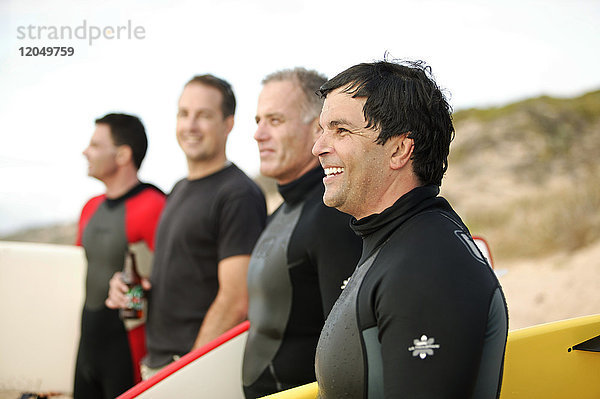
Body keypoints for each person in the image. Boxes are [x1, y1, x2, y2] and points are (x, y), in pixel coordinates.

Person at [312, 60, 509, 398]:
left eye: (340, 130)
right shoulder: (396, 244)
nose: (318, 147)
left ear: (399, 150)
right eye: (322, 129)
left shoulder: (429, 263)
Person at [106, 74, 267, 380]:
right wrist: (130, 288)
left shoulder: (237, 194)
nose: (190, 125)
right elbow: (181, 275)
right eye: (184, 114)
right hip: (162, 363)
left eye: (203, 116)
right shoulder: (179, 189)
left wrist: (186, 374)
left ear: (228, 124)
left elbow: (235, 301)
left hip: (192, 369)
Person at [242, 68, 362, 398]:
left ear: (315, 130)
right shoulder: (281, 213)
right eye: (257, 121)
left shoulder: (331, 217)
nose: (258, 134)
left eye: (275, 121)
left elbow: (348, 350)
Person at [75, 113, 166, 399]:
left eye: (95, 145)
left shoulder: (154, 205)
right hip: (87, 344)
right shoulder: (90, 207)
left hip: (128, 349)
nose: (85, 151)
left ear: (124, 154)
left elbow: (164, 282)